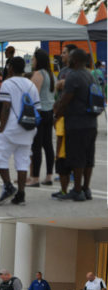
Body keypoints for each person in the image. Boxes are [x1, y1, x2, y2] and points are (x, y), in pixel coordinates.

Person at [0, 57, 40, 206]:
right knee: (23, 160)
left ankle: (8, 186)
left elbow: (5, 107)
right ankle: (21, 194)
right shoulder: (31, 84)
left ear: (11, 68)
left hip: (11, 127)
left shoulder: (7, 83)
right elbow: (37, 108)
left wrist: (1, 129)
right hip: (28, 128)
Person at [53, 49, 98, 201]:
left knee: (77, 157)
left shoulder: (73, 76)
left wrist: (56, 115)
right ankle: (86, 188)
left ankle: (77, 190)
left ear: (76, 60)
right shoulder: (90, 75)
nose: (68, 60)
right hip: (91, 122)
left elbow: (65, 99)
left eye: (70, 57)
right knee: (88, 158)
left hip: (76, 123)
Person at [28, 49, 56, 187]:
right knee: (48, 145)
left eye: (33, 59)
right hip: (49, 112)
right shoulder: (51, 75)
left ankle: (35, 177)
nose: (32, 62)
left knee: (36, 146)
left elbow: (33, 95)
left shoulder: (38, 74)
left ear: (38, 60)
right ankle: (49, 175)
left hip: (39, 112)